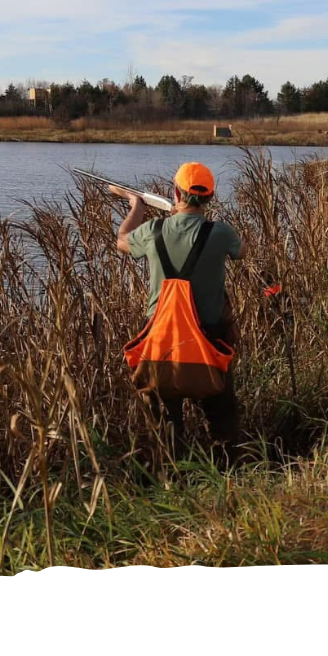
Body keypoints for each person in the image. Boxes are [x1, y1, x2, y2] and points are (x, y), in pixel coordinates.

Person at [110, 162, 245, 462]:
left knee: (164, 425)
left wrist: (136, 206)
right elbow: (240, 251)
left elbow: (121, 241)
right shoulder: (221, 233)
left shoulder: (152, 231)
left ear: (175, 193)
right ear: (210, 197)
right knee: (222, 422)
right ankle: (226, 479)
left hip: (161, 345)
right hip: (208, 346)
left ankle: (170, 482)